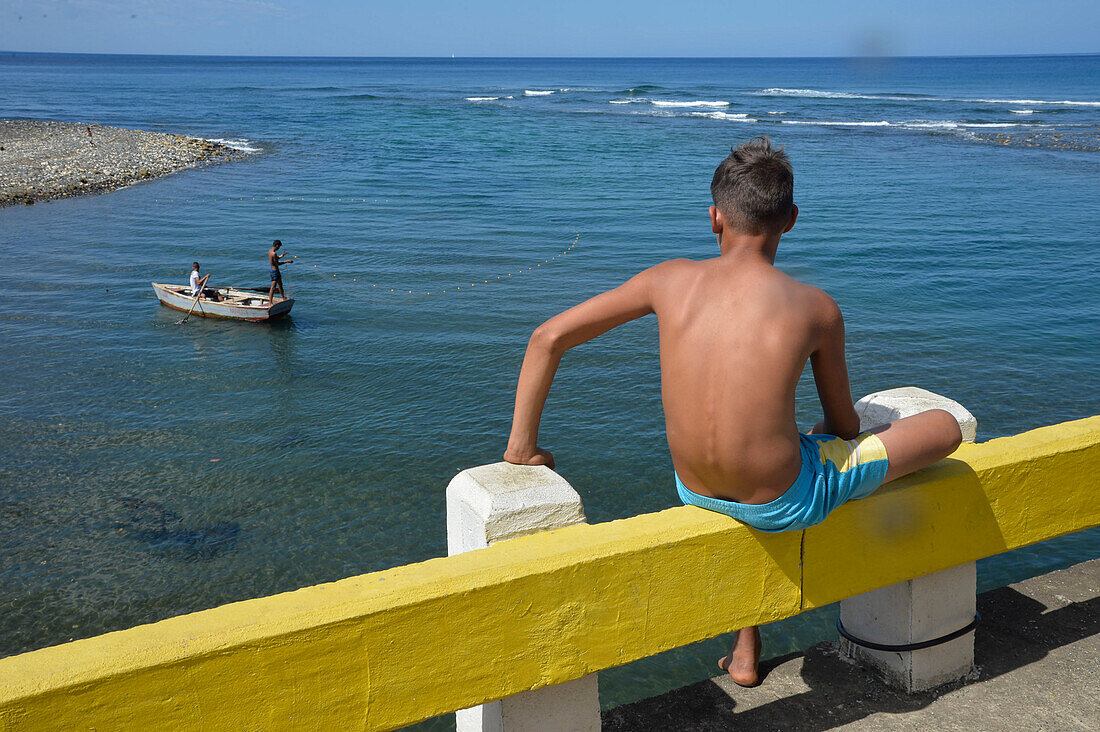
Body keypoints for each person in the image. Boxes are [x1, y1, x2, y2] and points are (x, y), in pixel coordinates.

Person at [501, 137, 963, 687]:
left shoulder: (665, 280)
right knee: (943, 427)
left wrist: (521, 449)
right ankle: (747, 640)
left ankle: (744, 651)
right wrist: (829, 435)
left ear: (715, 217)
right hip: (784, 498)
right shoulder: (816, 308)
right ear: (790, 220)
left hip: (694, 486)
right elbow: (844, 427)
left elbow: (547, 338)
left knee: (779, 455)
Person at [268, 239, 293, 304]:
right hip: (275, 272)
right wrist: (287, 261)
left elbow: (275, 259)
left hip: (275, 271)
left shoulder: (270, 251)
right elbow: (277, 264)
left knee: (280, 285)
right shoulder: (274, 253)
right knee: (273, 287)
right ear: (276, 245)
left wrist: (282, 255)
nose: (279, 248)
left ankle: (283, 297)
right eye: (279, 247)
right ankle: (270, 302)